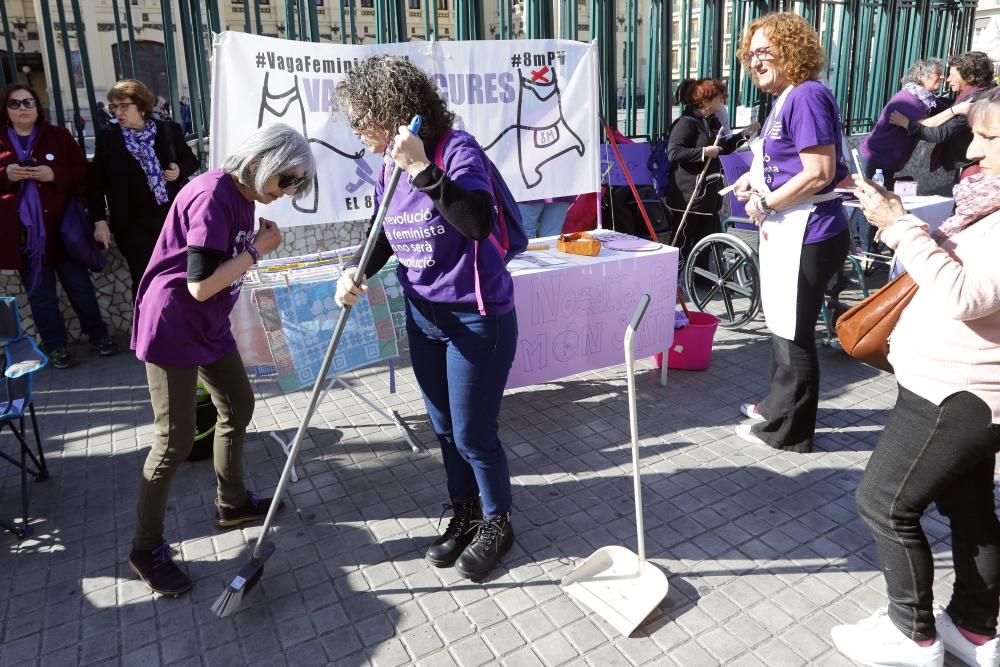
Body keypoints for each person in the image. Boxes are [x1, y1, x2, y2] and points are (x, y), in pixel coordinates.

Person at [830, 89, 1000, 667]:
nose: (973, 148)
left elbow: (965, 295)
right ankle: (974, 630)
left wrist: (903, 228)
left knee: (883, 503)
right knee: (971, 511)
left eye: (991, 137)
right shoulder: (988, 201)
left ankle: (911, 635)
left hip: (955, 392)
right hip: (962, 389)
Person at [334, 55, 518, 581]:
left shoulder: (455, 151)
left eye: (362, 118)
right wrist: (354, 270)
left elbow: (477, 222)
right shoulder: (387, 166)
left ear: (393, 112)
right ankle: (463, 512)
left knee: (474, 434)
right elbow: (384, 232)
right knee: (442, 427)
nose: (356, 131)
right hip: (424, 314)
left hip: (476, 319)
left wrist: (422, 167)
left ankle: (497, 522)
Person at [127, 123, 314, 596]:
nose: (288, 192)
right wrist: (257, 250)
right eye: (287, 180)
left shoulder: (245, 195)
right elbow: (199, 284)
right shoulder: (213, 194)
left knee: (239, 404)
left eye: (296, 184)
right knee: (174, 439)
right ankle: (145, 547)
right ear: (260, 163)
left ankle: (231, 503)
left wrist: (253, 248)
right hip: (174, 326)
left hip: (207, 325)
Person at [732, 12, 851, 453]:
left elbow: (819, 173)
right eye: (751, 53)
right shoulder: (786, 98)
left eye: (765, 51)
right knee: (782, 322)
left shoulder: (808, 95)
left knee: (794, 330)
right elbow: (786, 165)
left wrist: (765, 202)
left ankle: (789, 431)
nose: (755, 61)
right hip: (792, 229)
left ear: (792, 51)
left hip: (810, 231)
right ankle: (777, 405)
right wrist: (755, 181)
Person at [0, 84, 119, 369]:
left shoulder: (58, 136)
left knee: (80, 287)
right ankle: (56, 347)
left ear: (37, 106)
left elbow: (82, 173)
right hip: (26, 237)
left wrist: (53, 173)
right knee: (40, 296)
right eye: (14, 104)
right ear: (5, 109)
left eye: (28, 102)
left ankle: (98, 336)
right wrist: (6, 174)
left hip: (64, 231)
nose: (22, 108)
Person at [88, 79, 198, 301]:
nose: (118, 112)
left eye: (124, 106)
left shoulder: (168, 131)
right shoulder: (109, 139)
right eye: (114, 107)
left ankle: (180, 325)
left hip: (169, 219)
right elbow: (95, 183)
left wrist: (178, 170)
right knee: (144, 277)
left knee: (178, 273)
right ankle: (148, 328)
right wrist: (99, 219)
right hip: (130, 225)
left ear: (141, 106)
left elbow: (191, 161)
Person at [852, 58, 947, 254]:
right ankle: (867, 250)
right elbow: (928, 125)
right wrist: (956, 111)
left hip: (887, 160)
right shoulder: (907, 100)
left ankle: (865, 244)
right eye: (939, 74)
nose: (943, 77)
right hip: (875, 157)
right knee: (870, 201)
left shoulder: (924, 98)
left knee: (877, 199)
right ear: (922, 77)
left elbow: (940, 107)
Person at [665, 78, 753, 269]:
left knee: (706, 241)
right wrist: (704, 152)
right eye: (719, 97)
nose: (722, 100)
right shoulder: (685, 123)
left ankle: (701, 279)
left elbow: (723, 148)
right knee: (683, 241)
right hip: (689, 196)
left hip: (709, 196)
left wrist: (744, 135)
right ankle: (672, 279)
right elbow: (673, 152)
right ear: (705, 100)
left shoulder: (712, 122)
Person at [889, 51, 996, 182]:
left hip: (979, 167)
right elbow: (952, 104)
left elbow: (939, 134)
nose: (947, 79)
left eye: (952, 75)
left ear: (970, 78)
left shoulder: (972, 102)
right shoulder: (989, 91)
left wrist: (907, 124)